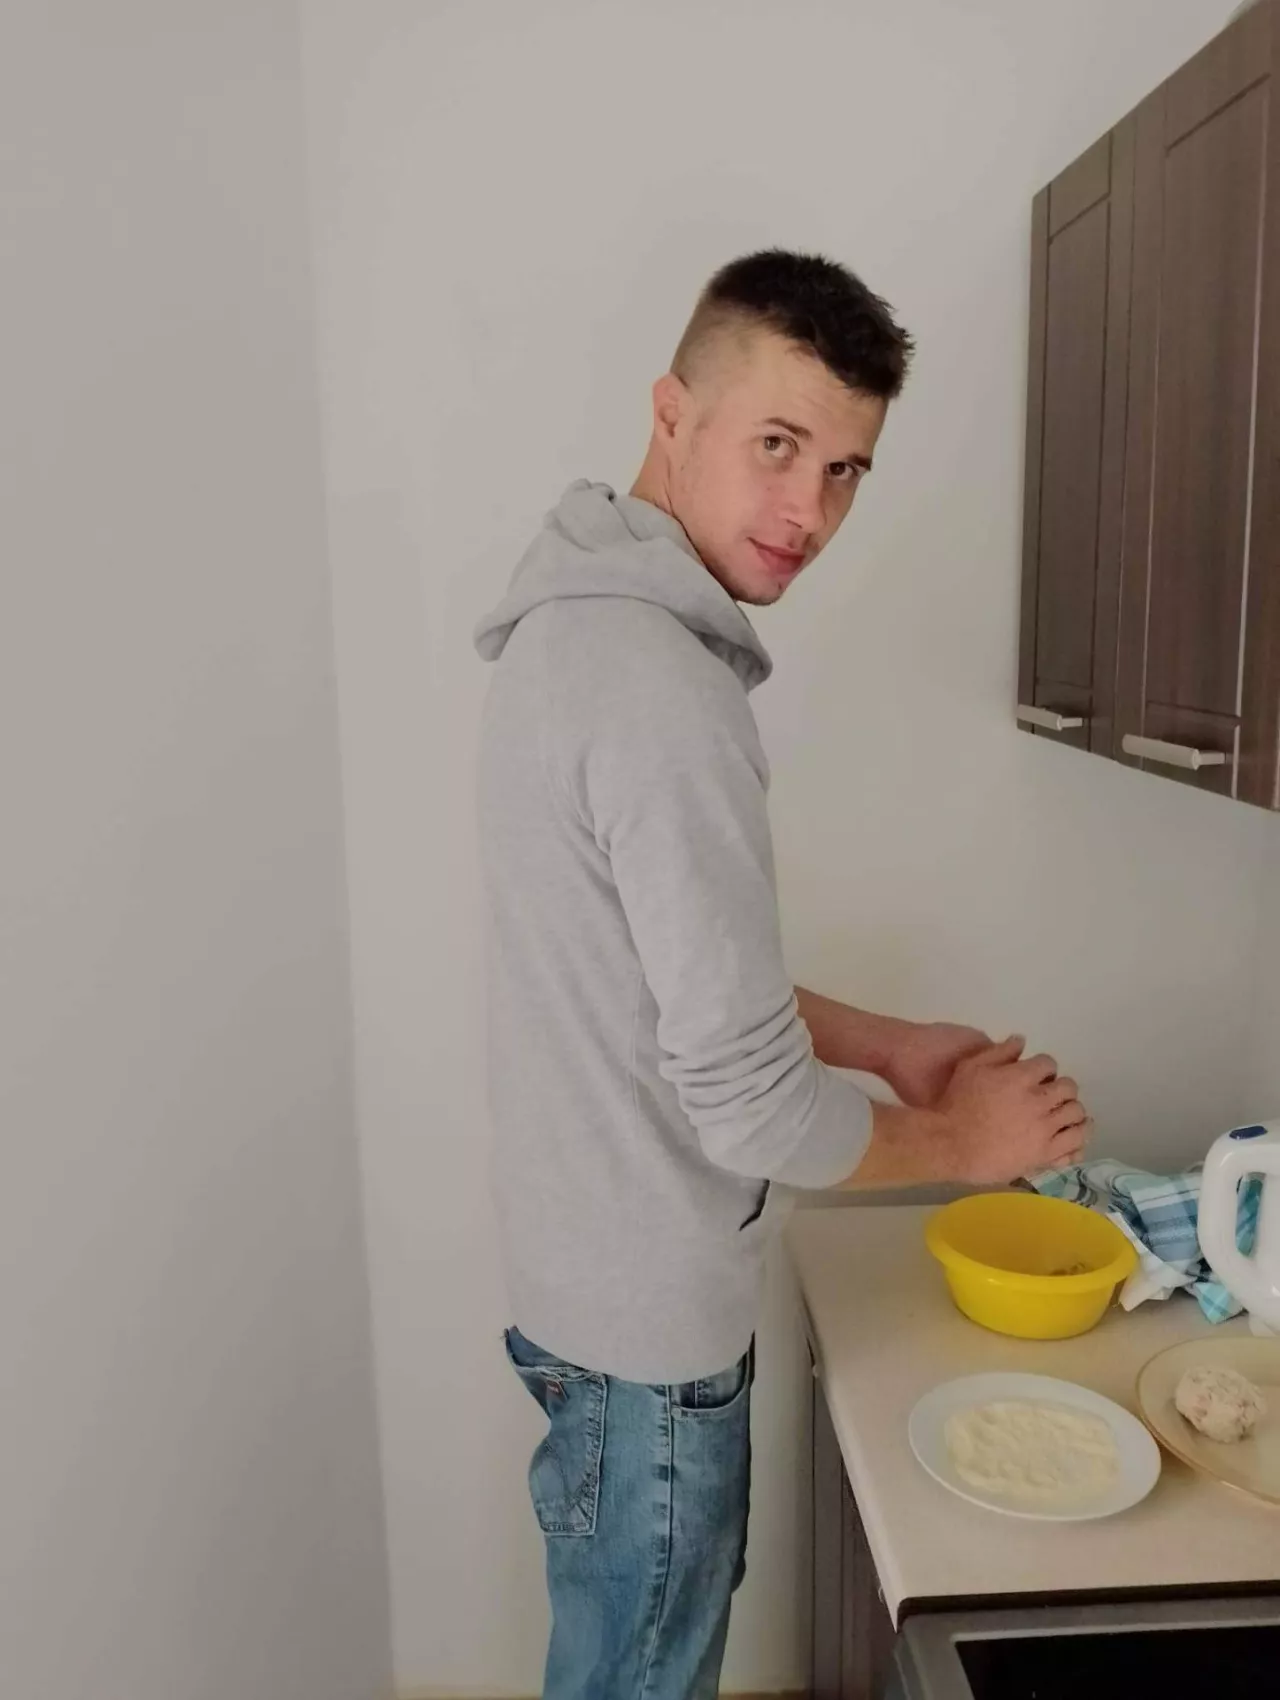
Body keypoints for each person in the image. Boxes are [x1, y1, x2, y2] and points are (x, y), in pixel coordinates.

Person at [473, 249, 1090, 1700]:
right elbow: (749, 1106)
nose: (810, 510)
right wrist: (965, 1141)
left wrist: (887, 1046)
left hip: (585, 1297)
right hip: (647, 1337)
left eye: (846, 468)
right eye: (777, 444)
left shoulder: (571, 633)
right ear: (671, 412)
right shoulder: (656, 689)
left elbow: (656, 976)